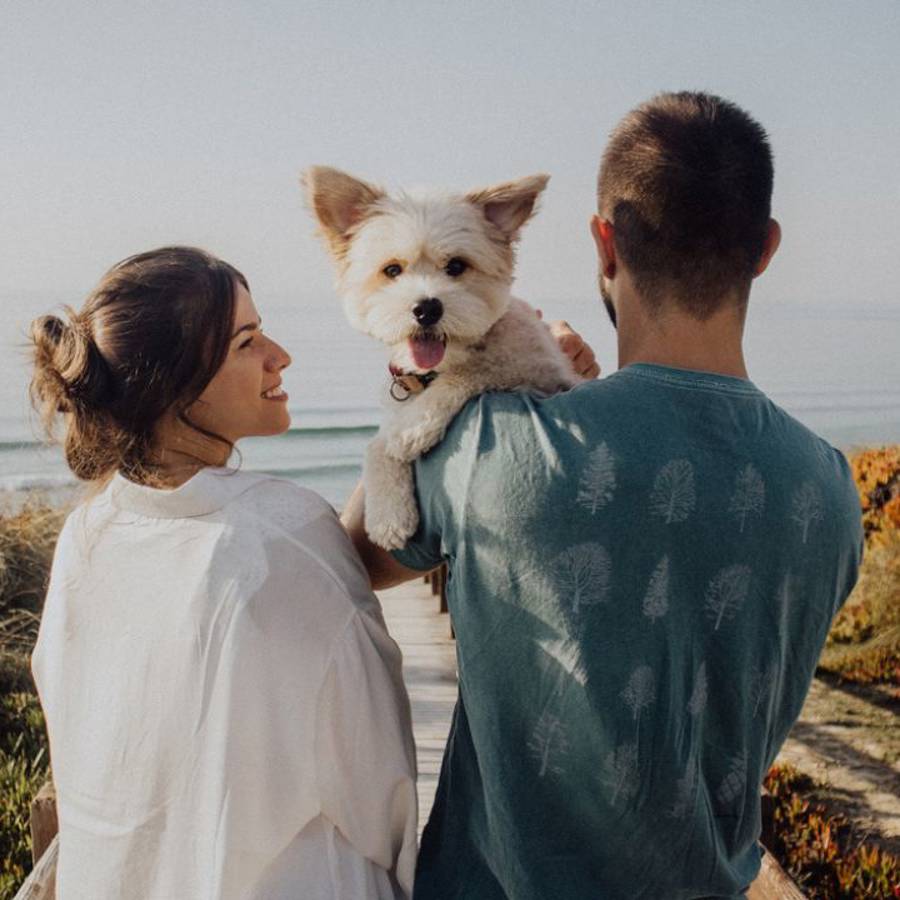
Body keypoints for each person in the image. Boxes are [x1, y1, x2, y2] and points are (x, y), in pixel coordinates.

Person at [345, 92, 864, 898]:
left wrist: (438, 372)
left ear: (604, 242)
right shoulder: (830, 487)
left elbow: (355, 556)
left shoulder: (493, 441)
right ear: (764, 249)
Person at [29, 246, 418, 900]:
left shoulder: (87, 537)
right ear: (174, 383)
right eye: (246, 342)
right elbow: (383, 786)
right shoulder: (283, 531)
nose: (280, 355)